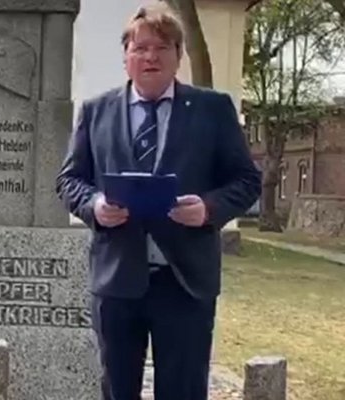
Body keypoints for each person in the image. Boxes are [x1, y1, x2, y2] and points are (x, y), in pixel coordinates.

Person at [55, 3, 261, 400]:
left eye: (162, 47)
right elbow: (68, 180)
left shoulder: (213, 110)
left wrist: (208, 209)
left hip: (185, 283)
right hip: (117, 281)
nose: (151, 56)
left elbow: (248, 180)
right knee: (117, 391)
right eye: (141, 48)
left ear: (179, 56)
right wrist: (95, 205)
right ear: (126, 57)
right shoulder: (96, 112)